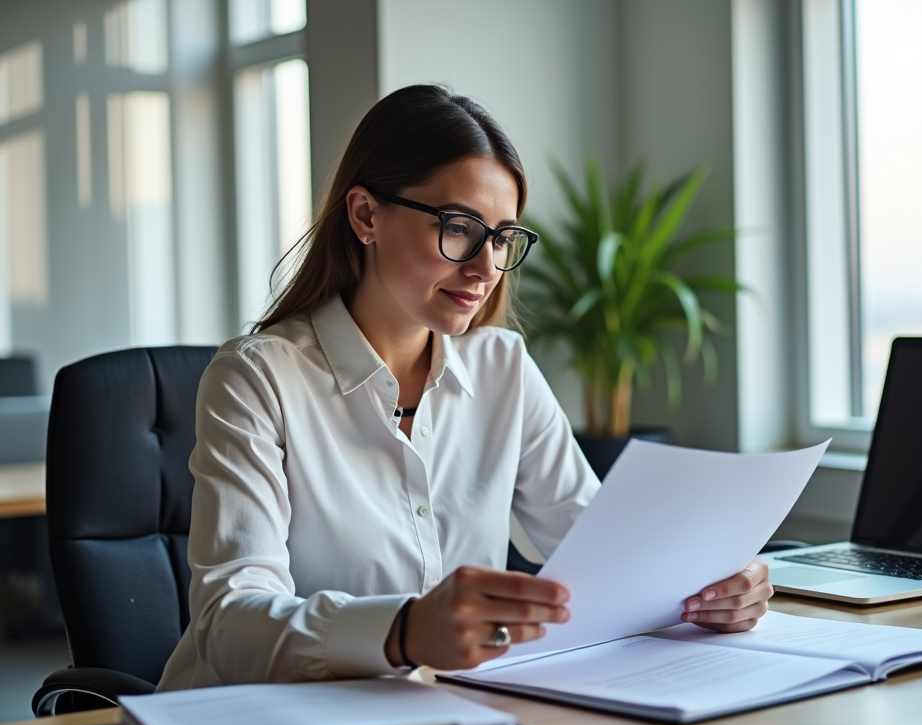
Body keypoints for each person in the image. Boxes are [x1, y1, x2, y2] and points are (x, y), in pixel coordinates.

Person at [157, 84, 772, 691]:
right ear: (366, 216)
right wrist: (402, 631)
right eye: (459, 227)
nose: (484, 268)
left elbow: (602, 551)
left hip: (436, 715)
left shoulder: (502, 368)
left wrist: (714, 588)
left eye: (503, 238)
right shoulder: (257, 378)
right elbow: (228, 624)